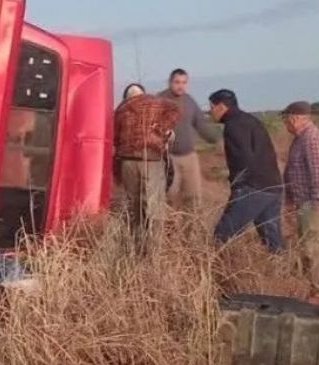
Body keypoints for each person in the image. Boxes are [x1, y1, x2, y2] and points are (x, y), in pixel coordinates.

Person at [208, 89, 284, 253]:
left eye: (211, 106)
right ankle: (286, 275)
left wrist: (239, 188)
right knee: (274, 243)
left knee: (221, 236)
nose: (210, 111)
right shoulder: (250, 120)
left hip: (253, 188)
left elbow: (243, 159)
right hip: (273, 186)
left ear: (221, 106)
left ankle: (216, 275)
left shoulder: (233, 125)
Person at [114, 83, 180, 254]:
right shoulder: (155, 102)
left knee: (134, 210)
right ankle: (153, 255)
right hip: (151, 161)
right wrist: (162, 130)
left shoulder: (120, 111)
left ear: (126, 97)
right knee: (154, 210)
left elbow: (114, 140)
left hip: (128, 162)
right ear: (142, 94)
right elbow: (175, 109)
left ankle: (136, 250)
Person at [159, 68, 219, 209]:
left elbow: (201, 125)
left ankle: (192, 229)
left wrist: (218, 139)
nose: (181, 86)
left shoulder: (189, 101)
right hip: (168, 158)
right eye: (177, 82)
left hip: (189, 158)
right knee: (169, 197)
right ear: (170, 82)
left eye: (184, 82)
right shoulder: (159, 100)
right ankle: (170, 229)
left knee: (193, 198)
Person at [282, 101, 319, 291]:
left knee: (313, 248)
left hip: (312, 203)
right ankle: (312, 288)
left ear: (295, 118)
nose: (285, 124)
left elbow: (318, 171)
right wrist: (290, 201)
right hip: (303, 202)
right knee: (307, 246)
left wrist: (318, 202)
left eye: (285, 119)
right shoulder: (300, 138)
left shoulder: (311, 138)